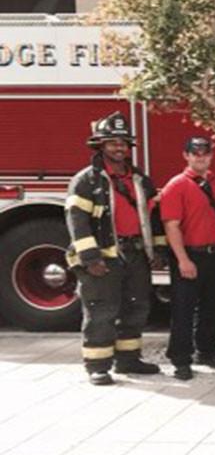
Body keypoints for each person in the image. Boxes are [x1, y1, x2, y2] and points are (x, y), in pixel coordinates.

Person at [65, 112, 165, 386]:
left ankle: (128, 359)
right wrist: (90, 257)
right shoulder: (87, 180)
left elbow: (153, 216)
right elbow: (77, 220)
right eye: (112, 143)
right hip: (104, 258)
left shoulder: (139, 179)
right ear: (100, 145)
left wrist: (158, 250)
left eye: (123, 143)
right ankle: (97, 366)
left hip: (135, 255)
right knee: (102, 310)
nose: (119, 147)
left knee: (137, 307)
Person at [160, 136, 215, 381]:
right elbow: (172, 226)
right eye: (195, 152)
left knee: (213, 306)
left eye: (205, 152)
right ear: (186, 156)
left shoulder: (214, 182)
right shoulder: (176, 185)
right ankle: (180, 359)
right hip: (191, 254)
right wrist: (182, 260)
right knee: (184, 309)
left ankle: (208, 351)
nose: (201, 156)